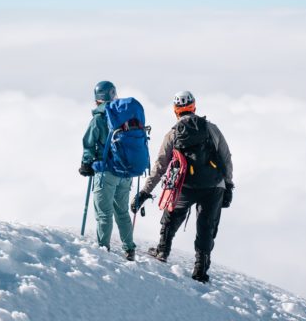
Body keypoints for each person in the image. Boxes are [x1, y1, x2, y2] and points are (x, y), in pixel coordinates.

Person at [131, 90, 234, 282]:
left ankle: (162, 250)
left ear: (175, 110)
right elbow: (226, 157)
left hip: (185, 184)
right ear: (194, 107)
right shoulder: (211, 128)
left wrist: (145, 191)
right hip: (214, 186)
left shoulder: (173, 133)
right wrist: (228, 185)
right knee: (206, 226)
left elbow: (160, 165)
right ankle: (200, 269)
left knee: (172, 215)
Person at [79, 81, 137, 261]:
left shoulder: (99, 118)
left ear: (97, 98)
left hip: (106, 172)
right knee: (122, 212)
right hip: (126, 172)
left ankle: (103, 249)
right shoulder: (124, 115)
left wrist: (85, 164)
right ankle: (129, 249)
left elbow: (89, 143)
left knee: (104, 214)